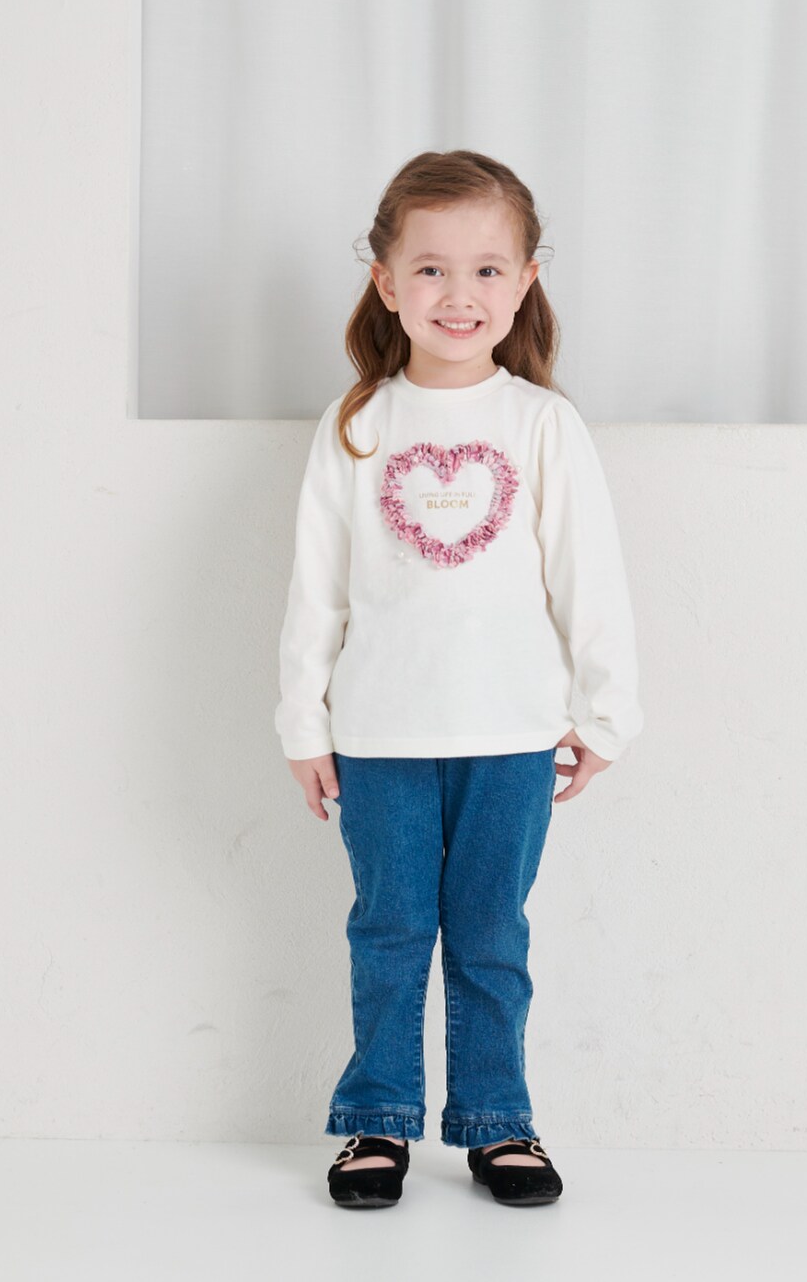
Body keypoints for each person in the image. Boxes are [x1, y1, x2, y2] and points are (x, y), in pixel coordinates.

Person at [275, 149, 644, 1208]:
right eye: (430, 268)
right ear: (386, 281)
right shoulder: (357, 425)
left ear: (526, 280)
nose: (458, 293)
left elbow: (590, 578)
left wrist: (604, 714)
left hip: (512, 735)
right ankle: (377, 1117)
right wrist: (303, 722)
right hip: (378, 736)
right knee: (389, 932)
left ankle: (496, 1119)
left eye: (486, 269)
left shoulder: (542, 425)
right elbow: (316, 587)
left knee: (490, 936)